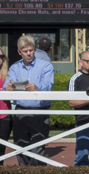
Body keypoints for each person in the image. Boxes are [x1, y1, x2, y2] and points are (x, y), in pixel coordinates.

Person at [5, 35, 54, 166]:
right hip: (21, 112)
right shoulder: (15, 67)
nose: (28, 54)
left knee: (38, 150)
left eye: (31, 50)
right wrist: (8, 87)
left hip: (40, 112)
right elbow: (7, 84)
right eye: (25, 51)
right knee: (20, 148)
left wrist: (38, 87)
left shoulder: (45, 65)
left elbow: (48, 84)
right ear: (19, 52)